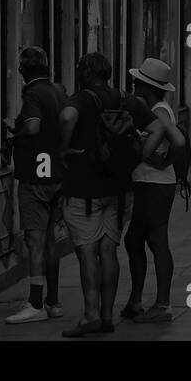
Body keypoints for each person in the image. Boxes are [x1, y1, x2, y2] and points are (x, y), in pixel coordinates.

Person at [56, 53, 128, 337]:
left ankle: (91, 316)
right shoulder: (120, 96)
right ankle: (108, 315)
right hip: (117, 188)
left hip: (84, 190)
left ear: (86, 73)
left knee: (87, 252)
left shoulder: (81, 99)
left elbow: (66, 115)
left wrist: (62, 148)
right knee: (109, 251)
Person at [5, 46, 68, 325]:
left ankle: (35, 303)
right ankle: (52, 301)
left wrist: (13, 135)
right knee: (51, 240)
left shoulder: (32, 94)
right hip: (57, 176)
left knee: (35, 242)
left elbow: (32, 128)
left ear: (22, 71)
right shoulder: (58, 91)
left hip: (36, 178)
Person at [122, 58, 186, 325]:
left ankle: (161, 304)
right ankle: (136, 301)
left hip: (155, 184)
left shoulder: (159, 112)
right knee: (135, 240)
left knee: (156, 242)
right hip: (151, 184)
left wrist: (159, 160)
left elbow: (179, 141)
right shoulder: (156, 109)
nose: (134, 87)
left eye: (137, 83)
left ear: (145, 87)